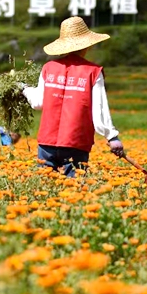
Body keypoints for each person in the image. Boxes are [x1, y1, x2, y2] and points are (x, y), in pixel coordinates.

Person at [22, 16, 124, 178]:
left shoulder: (49, 68)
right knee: (74, 191)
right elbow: (99, 109)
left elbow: (38, 102)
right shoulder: (93, 72)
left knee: (45, 191)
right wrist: (112, 137)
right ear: (87, 45)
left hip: (46, 142)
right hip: (76, 142)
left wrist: (25, 89)